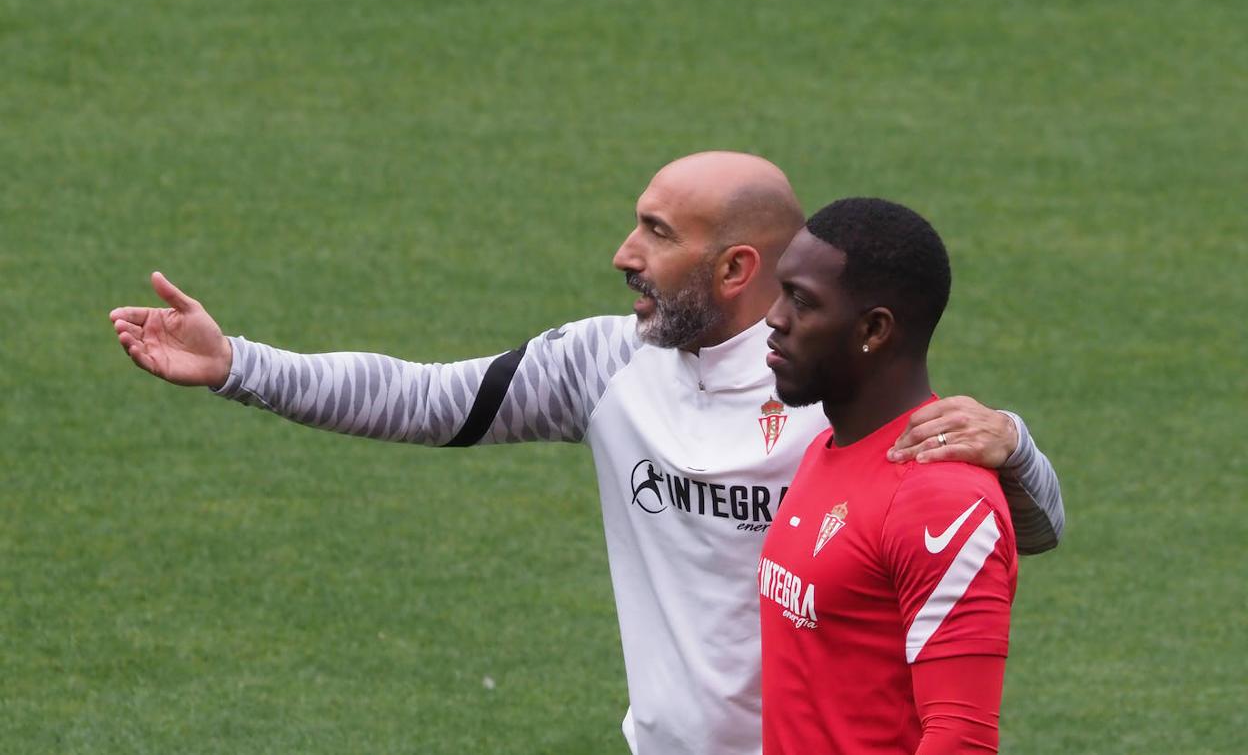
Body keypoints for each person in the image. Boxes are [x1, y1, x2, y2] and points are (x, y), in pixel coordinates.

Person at [109, 152, 1063, 755]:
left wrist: (1015, 448)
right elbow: (428, 398)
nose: (623, 253)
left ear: (736, 268)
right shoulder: (607, 363)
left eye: (657, 232)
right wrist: (240, 365)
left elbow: (987, 528)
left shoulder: (825, 390)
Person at [759, 197, 1024, 753]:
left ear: (875, 329)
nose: (774, 317)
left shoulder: (941, 500)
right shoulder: (825, 449)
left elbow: (962, 740)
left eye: (802, 301)